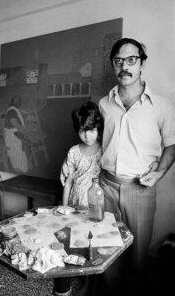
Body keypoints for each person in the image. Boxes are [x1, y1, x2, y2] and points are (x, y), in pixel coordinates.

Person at [98, 37, 175, 292]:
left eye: (131, 60)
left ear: (141, 64)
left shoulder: (162, 105)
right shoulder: (104, 104)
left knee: (138, 255)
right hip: (106, 185)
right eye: (118, 61)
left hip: (140, 189)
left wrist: (160, 173)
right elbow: (97, 142)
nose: (125, 67)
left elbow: (171, 145)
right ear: (113, 65)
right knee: (106, 248)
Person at [60, 101, 103, 208]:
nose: (87, 136)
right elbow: (68, 182)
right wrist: (64, 207)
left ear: (98, 128)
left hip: (96, 203)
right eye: (82, 131)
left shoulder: (105, 149)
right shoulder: (74, 152)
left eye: (91, 130)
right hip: (75, 201)